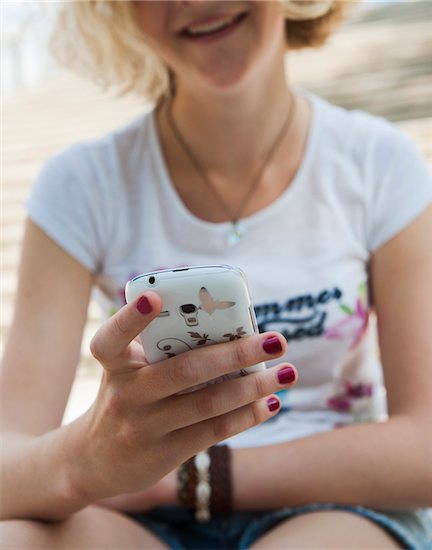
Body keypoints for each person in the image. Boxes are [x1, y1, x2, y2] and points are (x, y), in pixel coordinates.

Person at [1, 1, 431, 548]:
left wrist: (184, 480)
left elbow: (424, 448)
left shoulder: (378, 163)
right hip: (134, 521)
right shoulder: (79, 186)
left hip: (337, 505)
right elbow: (7, 460)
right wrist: (93, 455)